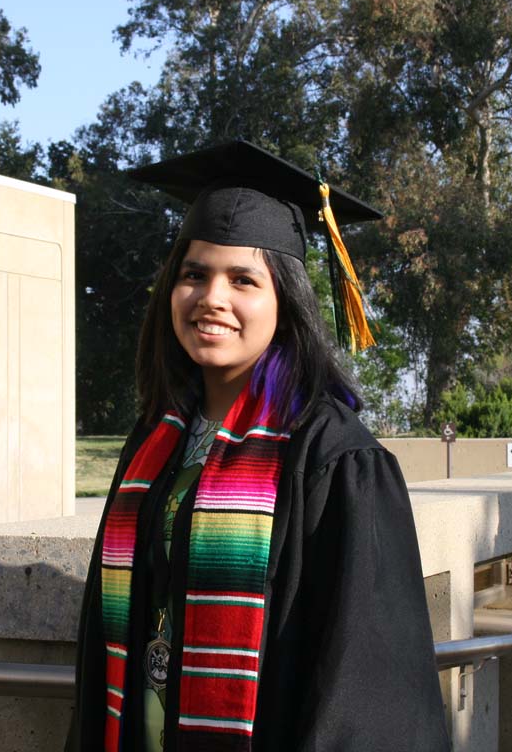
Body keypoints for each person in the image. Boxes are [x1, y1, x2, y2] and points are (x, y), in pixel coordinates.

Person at [65, 141, 450, 752]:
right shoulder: (155, 441)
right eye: (194, 274)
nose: (211, 298)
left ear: (285, 301)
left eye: (242, 279)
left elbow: (368, 687)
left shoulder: (334, 459)